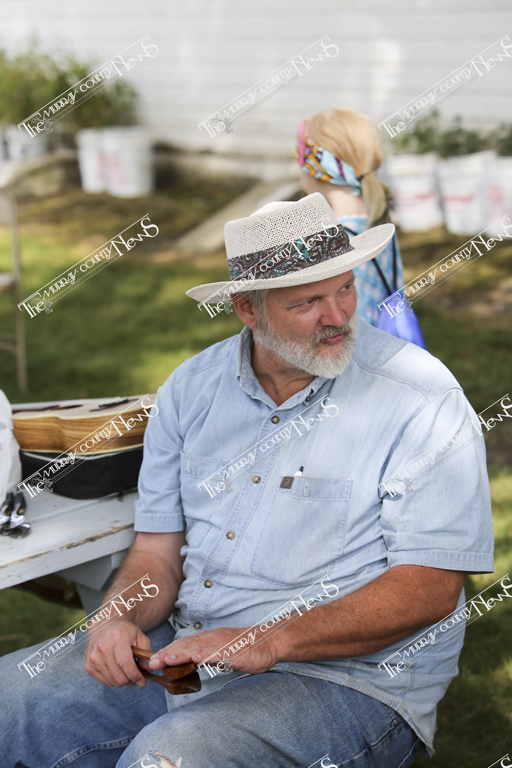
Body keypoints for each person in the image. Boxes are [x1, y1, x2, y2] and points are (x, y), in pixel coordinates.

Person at [1, 194, 493, 768]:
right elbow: (157, 553)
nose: (337, 316)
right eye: (307, 301)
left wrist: (267, 639)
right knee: (10, 698)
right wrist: (116, 618)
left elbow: (430, 587)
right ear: (247, 309)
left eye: (344, 289)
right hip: (190, 652)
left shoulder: (419, 396)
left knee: (172, 758)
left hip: (350, 679)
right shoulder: (190, 390)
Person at [295, 109, 425, 346]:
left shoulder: (329, 240)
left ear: (313, 169)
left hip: (351, 356)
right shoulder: (378, 218)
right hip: (384, 348)